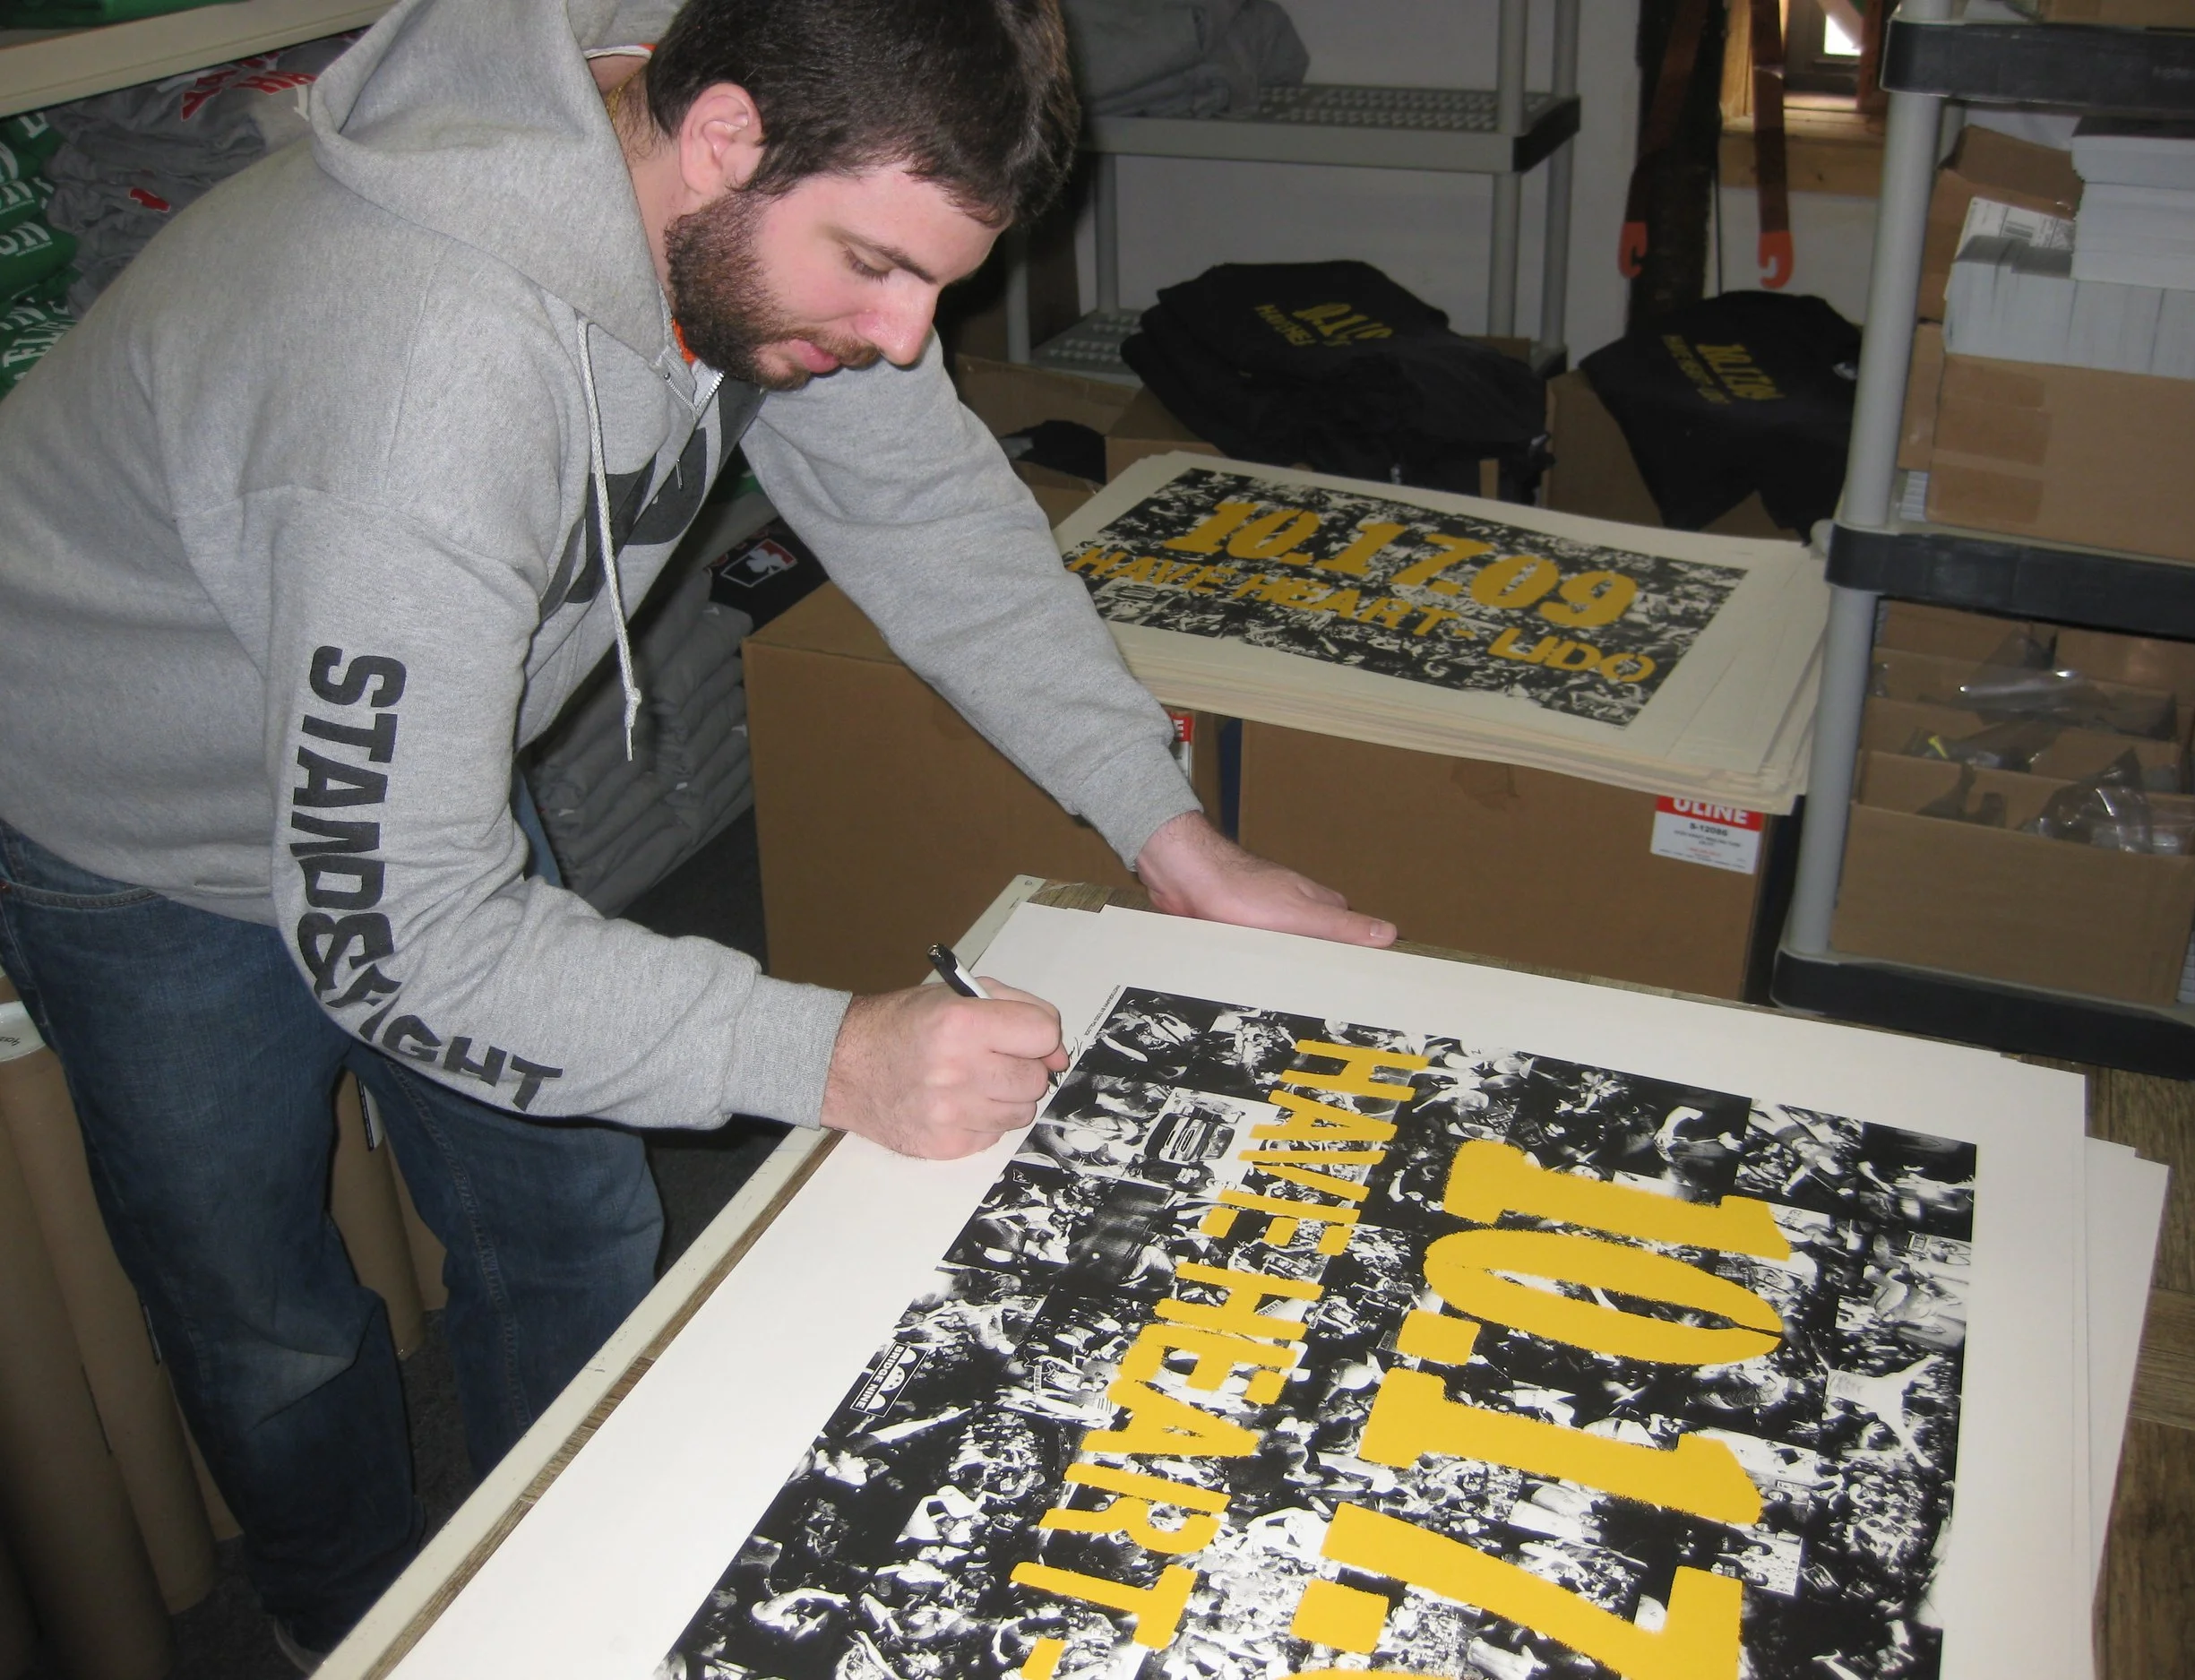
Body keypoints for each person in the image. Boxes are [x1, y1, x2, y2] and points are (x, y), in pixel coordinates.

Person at [0, 0, 1395, 1660]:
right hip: (132, 825)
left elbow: (933, 507)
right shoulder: (423, 371)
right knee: (270, 1325)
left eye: (936, 283)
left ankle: (557, 1605)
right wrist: (839, 1056)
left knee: (573, 1221)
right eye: (876, 268)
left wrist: (1172, 833)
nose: (902, 334)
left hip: (412, 749)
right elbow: (406, 936)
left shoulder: (759, 170)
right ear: (725, 138)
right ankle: (354, 1624)